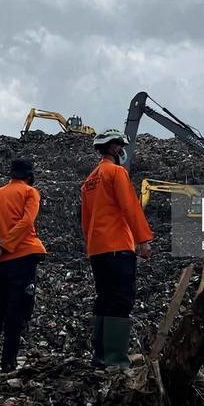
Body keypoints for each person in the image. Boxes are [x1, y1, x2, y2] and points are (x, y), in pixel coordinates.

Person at [81, 129, 153, 368]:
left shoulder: (89, 181)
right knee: (120, 300)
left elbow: (85, 220)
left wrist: (91, 244)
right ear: (113, 148)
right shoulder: (116, 172)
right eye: (120, 147)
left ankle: (99, 356)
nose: (122, 151)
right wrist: (142, 239)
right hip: (117, 246)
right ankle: (115, 358)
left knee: (103, 300)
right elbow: (130, 207)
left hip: (97, 248)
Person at [0, 158, 47, 372]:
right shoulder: (30, 192)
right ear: (29, 175)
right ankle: (8, 362)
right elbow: (26, 222)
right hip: (23, 257)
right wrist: (6, 245)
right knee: (17, 311)